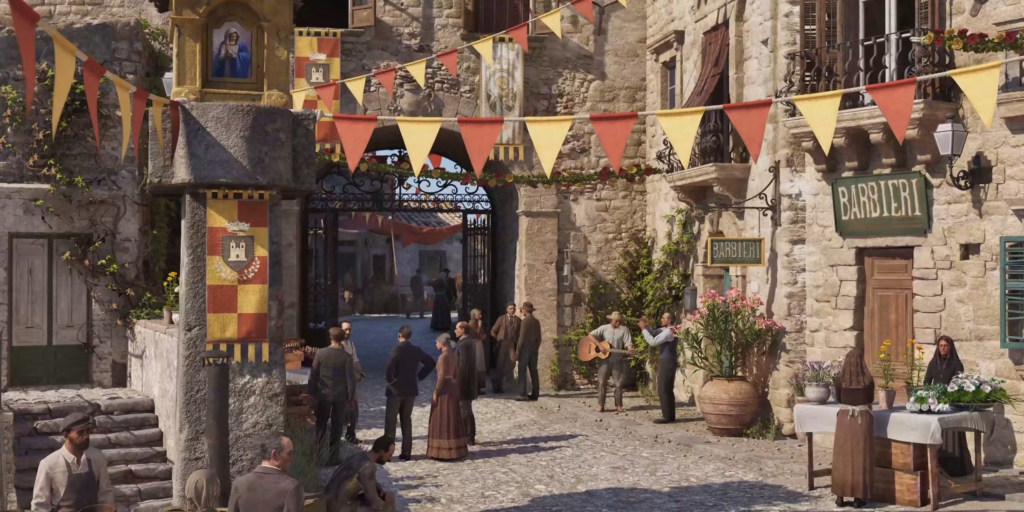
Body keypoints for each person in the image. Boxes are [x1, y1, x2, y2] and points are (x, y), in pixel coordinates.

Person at [31, 412, 114, 512]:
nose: (86, 436)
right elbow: (40, 506)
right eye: (80, 433)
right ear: (66, 434)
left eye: (87, 431)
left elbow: (105, 493)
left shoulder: (96, 457)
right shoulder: (49, 464)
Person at [923, 335, 974, 477]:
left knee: (952, 434)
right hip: (936, 404)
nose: (943, 348)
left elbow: (960, 383)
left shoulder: (956, 364)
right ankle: (939, 465)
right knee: (938, 433)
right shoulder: (933, 363)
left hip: (951, 404)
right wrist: (928, 396)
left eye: (945, 346)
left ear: (950, 347)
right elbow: (927, 381)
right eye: (940, 346)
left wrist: (950, 395)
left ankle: (956, 467)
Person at [384, 325, 437, 460]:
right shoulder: (416, 350)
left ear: (399, 335)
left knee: (391, 421)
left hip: (396, 390)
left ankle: (387, 453)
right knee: (406, 421)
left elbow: (390, 366)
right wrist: (418, 377)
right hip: (411, 390)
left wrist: (390, 380)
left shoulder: (397, 348)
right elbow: (431, 363)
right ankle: (406, 452)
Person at [832, 348, 875, 509]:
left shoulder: (840, 380)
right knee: (860, 457)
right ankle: (858, 497)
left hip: (844, 419)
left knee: (842, 457)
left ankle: (840, 497)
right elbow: (870, 399)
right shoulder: (868, 381)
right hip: (861, 420)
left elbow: (839, 398)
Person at [308, 326, 357, 462]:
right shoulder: (347, 357)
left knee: (320, 425)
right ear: (342, 339)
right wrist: (350, 398)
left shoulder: (321, 353)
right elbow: (350, 380)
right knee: (337, 426)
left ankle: (317, 455)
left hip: (323, 394)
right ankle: (333, 456)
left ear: (330, 338)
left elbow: (314, 374)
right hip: (340, 396)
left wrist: (311, 393)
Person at [227, 432, 304, 512]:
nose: (292, 459)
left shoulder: (239, 484)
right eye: (289, 454)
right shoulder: (292, 488)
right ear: (274, 455)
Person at [323, 436, 397, 512]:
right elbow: (375, 503)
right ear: (382, 452)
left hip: (331, 501)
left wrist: (381, 491)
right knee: (382, 508)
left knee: (389, 499)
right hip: (337, 508)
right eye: (389, 455)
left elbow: (372, 483)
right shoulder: (368, 466)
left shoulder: (361, 455)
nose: (389, 459)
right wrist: (387, 506)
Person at [427, 333, 469, 460]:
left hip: (445, 389)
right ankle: (457, 449)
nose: (436, 344)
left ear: (442, 343)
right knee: (453, 415)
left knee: (442, 417)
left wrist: (436, 391)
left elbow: (441, 377)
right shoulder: (453, 355)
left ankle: (441, 451)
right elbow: (456, 372)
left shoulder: (442, 357)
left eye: (437, 342)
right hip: (453, 386)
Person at [638, 312, 678, 424]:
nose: (661, 319)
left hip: (667, 361)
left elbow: (653, 341)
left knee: (662, 388)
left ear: (669, 320)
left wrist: (643, 330)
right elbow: (655, 332)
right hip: (668, 360)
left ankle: (666, 416)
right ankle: (670, 416)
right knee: (668, 389)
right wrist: (646, 324)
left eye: (663, 318)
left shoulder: (669, 332)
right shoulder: (667, 330)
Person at [590, 312, 634, 413]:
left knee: (618, 384)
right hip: (605, 359)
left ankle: (618, 405)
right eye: (616, 321)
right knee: (601, 382)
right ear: (611, 320)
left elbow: (628, 342)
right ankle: (601, 405)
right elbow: (590, 335)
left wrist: (630, 348)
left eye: (619, 321)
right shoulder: (604, 328)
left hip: (617, 359)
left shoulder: (624, 330)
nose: (618, 323)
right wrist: (600, 346)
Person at [338, 321, 366, 444]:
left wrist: (360, 371)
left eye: (349, 329)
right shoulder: (338, 346)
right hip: (341, 382)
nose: (348, 332)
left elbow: (355, 360)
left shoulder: (350, 344)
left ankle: (351, 435)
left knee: (354, 409)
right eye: (345, 329)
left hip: (350, 382)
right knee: (340, 410)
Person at [454, 322, 479, 445]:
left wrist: (458, 383)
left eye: (457, 329)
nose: (455, 331)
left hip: (465, 383)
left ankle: (469, 436)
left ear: (463, 330)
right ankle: (466, 434)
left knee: (465, 410)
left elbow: (463, 365)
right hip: (467, 382)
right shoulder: (467, 341)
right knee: (464, 409)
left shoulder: (465, 344)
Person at [489, 303, 521, 393]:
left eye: (514, 308)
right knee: (500, 364)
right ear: (507, 309)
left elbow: (520, 333)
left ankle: (496, 379)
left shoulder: (518, 320)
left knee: (512, 363)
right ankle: (498, 386)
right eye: (510, 308)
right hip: (502, 343)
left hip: (511, 343)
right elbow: (493, 330)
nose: (512, 310)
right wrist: (496, 340)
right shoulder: (501, 319)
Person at [515, 302, 541, 402]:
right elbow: (539, 338)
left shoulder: (525, 322)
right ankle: (535, 393)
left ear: (525, 310)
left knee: (522, 370)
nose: (522, 311)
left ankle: (521, 393)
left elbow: (521, 337)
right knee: (534, 371)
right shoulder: (536, 322)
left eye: (522, 309)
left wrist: (518, 350)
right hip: (534, 349)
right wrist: (536, 347)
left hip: (525, 349)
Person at [468, 308, 488, 394]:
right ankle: (474, 387)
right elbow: (476, 335)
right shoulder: (472, 323)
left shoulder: (476, 323)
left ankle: (479, 387)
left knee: (480, 364)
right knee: (476, 365)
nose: (480, 316)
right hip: (475, 345)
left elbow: (483, 334)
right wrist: (479, 327)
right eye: (478, 314)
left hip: (479, 344)